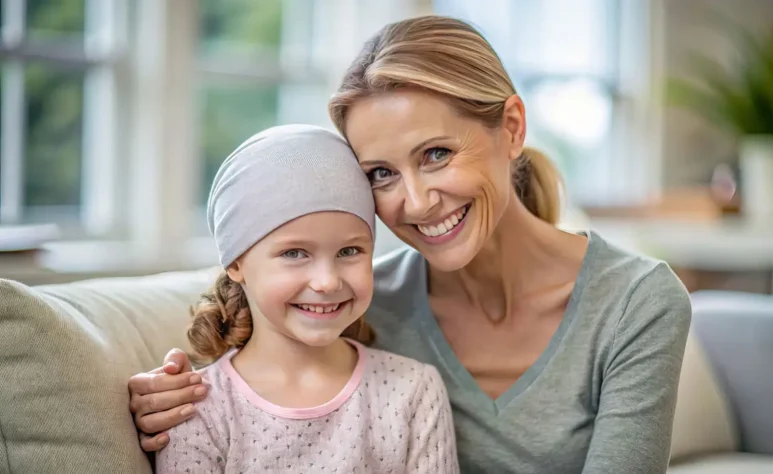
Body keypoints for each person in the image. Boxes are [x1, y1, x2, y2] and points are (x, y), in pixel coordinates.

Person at [129, 16, 692, 474]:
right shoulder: (364, 300)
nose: (417, 202)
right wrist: (172, 393)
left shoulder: (636, 303)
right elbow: (267, 382)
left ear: (513, 127)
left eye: (437, 154)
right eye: (380, 173)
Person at [155, 124, 458, 473]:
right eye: (295, 253)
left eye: (350, 250)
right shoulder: (197, 409)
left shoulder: (413, 391)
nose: (328, 281)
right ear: (236, 262)